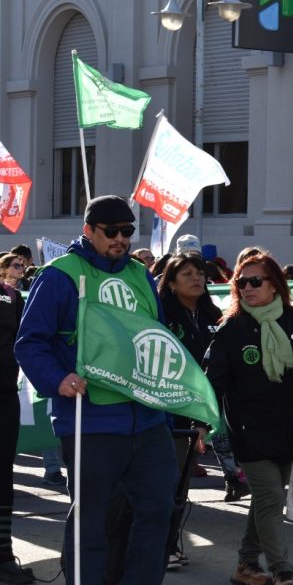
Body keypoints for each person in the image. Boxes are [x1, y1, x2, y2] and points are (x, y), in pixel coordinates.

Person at [14, 195, 177, 585]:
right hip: (91, 419)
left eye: (128, 231)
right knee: (92, 519)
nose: (121, 238)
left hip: (148, 418)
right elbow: (29, 342)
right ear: (88, 230)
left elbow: (159, 337)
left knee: (158, 511)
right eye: (112, 231)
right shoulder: (58, 276)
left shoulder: (141, 274)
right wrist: (58, 379)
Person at [205, 253, 293, 585]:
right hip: (250, 431)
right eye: (241, 282)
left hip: (289, 430)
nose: (247, 288)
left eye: (255, 281)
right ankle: (282, 569)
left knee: (266, 498)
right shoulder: (231, 330)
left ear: (274, 284)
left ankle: (246, 565)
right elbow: (212, 382)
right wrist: (201, 423)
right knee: (271, 499)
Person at [157, 252, 220, 569]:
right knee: (165, 484)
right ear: (169, 282)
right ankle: (160, 547)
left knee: (180, 487)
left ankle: (168, 545)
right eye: (187, 274)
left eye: (200, 273)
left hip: (201, 416)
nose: (197, 279)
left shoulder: (215, 315)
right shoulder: (161, 316)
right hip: (168, 413)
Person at [0, 255, 32, 583]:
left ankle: (3, 555)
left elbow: (27, 342)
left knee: (2, 477)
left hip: (5, 396)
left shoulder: (11, 296)